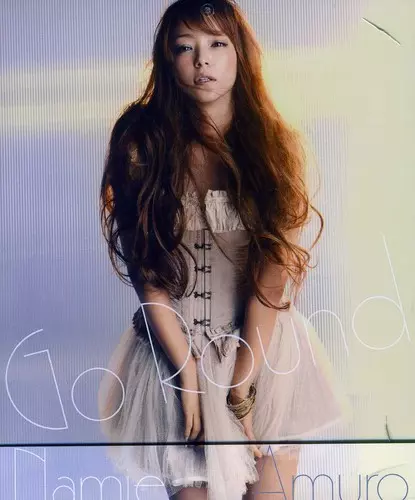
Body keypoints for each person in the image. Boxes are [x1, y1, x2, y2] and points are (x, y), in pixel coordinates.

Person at [97, 1, 350, 499]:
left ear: (240, 54)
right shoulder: (141, 144)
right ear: (167, 60)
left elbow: (271, 280)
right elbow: (149, 277)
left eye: (217, 43)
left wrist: (241, 386)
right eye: (184, 48)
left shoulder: (275, 145)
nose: (203, 60)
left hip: (263, 352)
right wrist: (186, 374)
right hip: (175, 352)